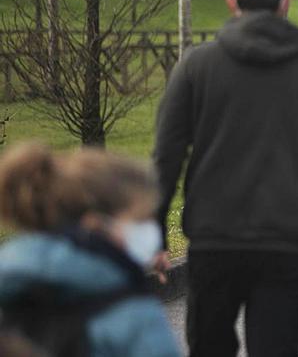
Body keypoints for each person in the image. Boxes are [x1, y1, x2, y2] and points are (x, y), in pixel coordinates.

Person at [153, 0, 298, 356]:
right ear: (284, 3)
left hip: (215, 234)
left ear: (232, 2)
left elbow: (167, 154)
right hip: (287, 236)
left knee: (209, 345)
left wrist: (154, 233)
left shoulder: (197, 66)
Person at [0, 144, 181, 357]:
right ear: (95, 224)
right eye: (140, 220)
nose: (149, 230)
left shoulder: (12, 285)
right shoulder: (133, 318)